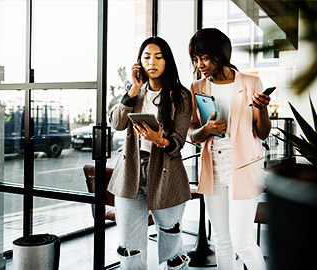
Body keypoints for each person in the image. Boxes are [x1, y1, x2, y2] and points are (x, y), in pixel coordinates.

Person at [188, 28, 271, 270]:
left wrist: (263, 110)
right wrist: (207, 130)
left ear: (220, 53)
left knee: (242, 241)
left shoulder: (250, 82)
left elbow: (263, 133)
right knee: (221, 240)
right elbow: (193, 134)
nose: (200, 64)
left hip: (245, 168)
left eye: (204, 57)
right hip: (213, 169)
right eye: (196, 59)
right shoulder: (197, 87)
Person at [108, 36, 192, 270]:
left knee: (171, 245)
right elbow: (116, 122)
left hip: (166, 175)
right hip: (131, 173)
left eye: (158, 57)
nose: (151, 62)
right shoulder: (134, 93)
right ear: (139, 63)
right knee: (128, 246)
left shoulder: (180, 96)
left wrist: (160, 140)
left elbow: (179, 141)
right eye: (146, 57)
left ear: (167, 62)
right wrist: (133, 89)